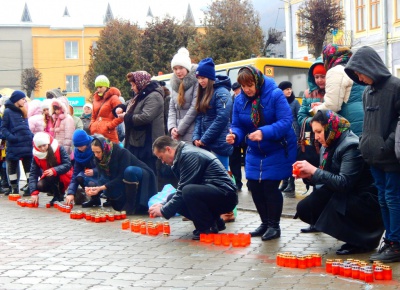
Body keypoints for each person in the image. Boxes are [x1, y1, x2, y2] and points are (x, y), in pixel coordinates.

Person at [294, 110, 384, 255]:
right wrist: (309, 176)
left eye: (319, 131)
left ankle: (362, 241)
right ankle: (352, 239)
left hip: (365, 201)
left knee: (317, 204)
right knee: (305, 208)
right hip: (348, 194)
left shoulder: (351, 146)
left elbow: (344, 183)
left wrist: (314, 171)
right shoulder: (329, 142)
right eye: (314, 132)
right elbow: (329, 177)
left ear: (330, 128)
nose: (316, 137)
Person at [226, 66, 297, 241]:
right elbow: (237, 125)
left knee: (269, 186)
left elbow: (286, 121)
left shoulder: (275, 94)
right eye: (243, 86)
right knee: (254, 186)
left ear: (257, 81)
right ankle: (264, 223)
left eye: (250, 85)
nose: (247, 89)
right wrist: (234, 135)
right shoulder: (239, 100)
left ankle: (274, 226)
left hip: (278, 147)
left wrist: (264, 132)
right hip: (255, 149)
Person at [345, 46, 400, 263]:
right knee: (383, 199)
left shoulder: (395, 86)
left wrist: (386, 145)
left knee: (393, 198)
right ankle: (391, 239)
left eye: (359, 72)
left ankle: (396, 242)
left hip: (390, 157)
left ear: (369, 66)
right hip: (372, 156)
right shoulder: (367, 91)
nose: (358, 77)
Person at [150, 136, 238, 240]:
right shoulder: (183, 154)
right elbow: (181, 191)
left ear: (168, 149)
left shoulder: (188, 155)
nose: (162, 162)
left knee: (188, 191)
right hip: (214, 191)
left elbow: (183, 189)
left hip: (226, 195)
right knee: (172, 197)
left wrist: (163, 210)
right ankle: (214, 222)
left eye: (161, 157)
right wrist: (164, 204)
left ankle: (206, 228)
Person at [87, 134, 157, 214]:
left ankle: (131, 204)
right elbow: (101, 176)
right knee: (104, 184)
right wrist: (95, 189)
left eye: (98, 152)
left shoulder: (122, 153)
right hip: (121, 179)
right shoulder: (99, 158)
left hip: (142, 174)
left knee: (128, 171)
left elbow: (121, 176)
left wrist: (101, 187)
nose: (96, 155)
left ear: (105, 148)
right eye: (94, 152)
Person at [115, 71, 164, 174]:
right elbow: (130, 104)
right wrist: (120, 107)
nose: (132, 88)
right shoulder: (140, 95)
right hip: (137, 141)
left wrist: (126, 117)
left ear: (140, 83)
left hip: (148, 142)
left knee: (148, 171)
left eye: (133, 85)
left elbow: (146, 117)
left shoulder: (154, 96)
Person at [310, 44, 365, 136]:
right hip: (365, 119)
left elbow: (332, 106)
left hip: (350, 121)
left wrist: (316, 110)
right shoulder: (356, 68)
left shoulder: (335, 71)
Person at [193, 57, 233, 170]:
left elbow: (222, 118)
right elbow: (199, 117)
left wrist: (204, 139)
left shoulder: (222, 92)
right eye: (199, 78)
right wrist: (196, 137)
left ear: (210, 77)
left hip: (219, 144)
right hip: (205, 144)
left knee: (222, 177)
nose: (200, 81)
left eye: (203, 78)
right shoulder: (204, 92)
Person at [1, 90, 33, 195]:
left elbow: (26, 126)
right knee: (12, 166)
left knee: (28, 166)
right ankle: (14, 188)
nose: (24, 101)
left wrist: (30, 136)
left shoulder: (23, 110)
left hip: (26, 142)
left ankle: (29, 187)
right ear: (16, 100)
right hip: (14, 143)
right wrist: (11, 137)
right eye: (23, 99)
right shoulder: (7, 112)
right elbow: (4, 128)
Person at [29, 132, 72, 206]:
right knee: (40, 185)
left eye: (44, 145)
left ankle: (58, 195)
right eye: (40, 147)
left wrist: (54, 170)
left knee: (50, 175)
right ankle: (55, 193)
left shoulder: (59, 148)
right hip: (49, 176)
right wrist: (34, 192)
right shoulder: (36, 155)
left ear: (48, 143)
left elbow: (67, 164)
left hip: (64, 175)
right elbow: (33, 173)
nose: (42, 148)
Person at [168, 47, 198, 143]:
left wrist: (180, 129)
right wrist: (172, 128)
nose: (178, 71)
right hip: (176, 133)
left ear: (187, 68)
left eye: (181, 68)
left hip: (191, 131)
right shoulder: (174, 84)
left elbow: (194, 108)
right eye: (175, 69)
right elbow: (172, 108)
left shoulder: (195, 82)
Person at [278, 81, 300, 197]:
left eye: (290, 89)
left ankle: (291, 184)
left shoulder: (295, 102)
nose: (289, 91)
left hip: (293, 135)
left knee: (292, 160)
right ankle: (284, 182)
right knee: (283, 160)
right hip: (282, 135)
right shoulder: (279, 102)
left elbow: (299, 117)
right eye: (286, 89)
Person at [89, 75, 123, 143]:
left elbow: (121, 115)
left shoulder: (114, 98)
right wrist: (92, 125)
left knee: (111, 153)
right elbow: (93, 116)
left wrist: (109, 126)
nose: (98, 89)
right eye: (97, 87)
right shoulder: (95, 99)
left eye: (100, 87)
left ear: (106, 86)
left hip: (109, 135)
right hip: (96, 134)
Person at [297, 61, 326, 131]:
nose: (319, 80)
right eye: (316, 77)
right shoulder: (307, 93)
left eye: (323, 76)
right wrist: (312, 121)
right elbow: (301, 117)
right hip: (315, 135)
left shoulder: (334, 91)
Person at [229, 82, 247, 191]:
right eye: (235, 90)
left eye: (238, 89)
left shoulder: (246, 99)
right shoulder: (230, 101)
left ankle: (250, 183)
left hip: (245, 135)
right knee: (234, 161)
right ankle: (237, 183)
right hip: (233, 134)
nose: (237, 92)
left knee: (246, 159)